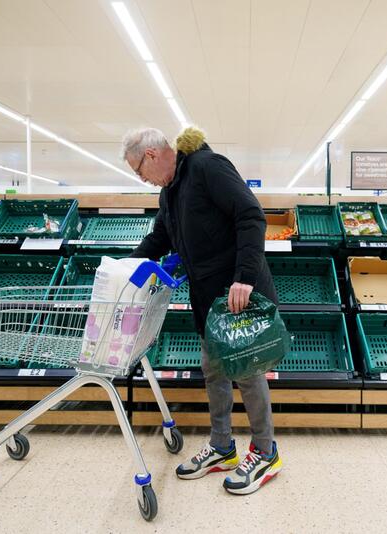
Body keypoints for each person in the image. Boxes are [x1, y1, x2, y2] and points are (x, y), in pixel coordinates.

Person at [122, 125, 282, 495]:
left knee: (247, 372)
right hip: (209, 300)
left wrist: (244, 277)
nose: (141, 179)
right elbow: (160, 237)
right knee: (213, 371)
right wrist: (124, 265)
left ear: (150, 155)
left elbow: (251, 215)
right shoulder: (169, 191)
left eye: (137, 171)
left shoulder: (208, 166)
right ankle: (223, 446)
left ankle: (265, 451)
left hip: (239, 294)